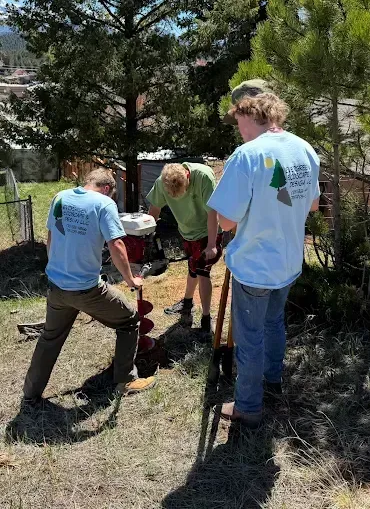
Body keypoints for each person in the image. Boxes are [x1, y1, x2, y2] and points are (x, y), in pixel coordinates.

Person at [208, 88, 320, 428]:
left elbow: (227, 220)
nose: (238, 130)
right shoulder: (304, 148)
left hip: (256, 265)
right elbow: (313, 204)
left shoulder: (247, 155)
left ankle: (248, 407)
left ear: (248, 114)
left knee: (250, 336)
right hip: (288, 262)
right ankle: (273, 381)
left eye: (238, 122)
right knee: (273, 324)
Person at [23, 168, 155, 405]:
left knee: (49, 338)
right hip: (87, 289)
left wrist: (57, 270)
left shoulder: (60, 197)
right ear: (107, 189)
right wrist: (130, 279)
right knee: (130, 320)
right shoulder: (104, 203)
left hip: (56, 287)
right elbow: (116, 244)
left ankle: (30, 393)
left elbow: (51, 237)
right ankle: (125, 380)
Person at [147, 162, 222, 333]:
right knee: (193, 268)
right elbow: (154, 209)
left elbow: (213, 213)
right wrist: (147, 237)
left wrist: (211, 245)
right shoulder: (162, 182)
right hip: (187, 232)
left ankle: (206, 319)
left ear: (187, 177)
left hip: (207, 230)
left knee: (202, 271)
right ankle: (187, 302)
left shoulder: (203, 177)